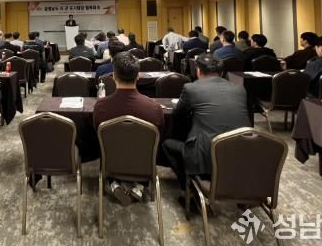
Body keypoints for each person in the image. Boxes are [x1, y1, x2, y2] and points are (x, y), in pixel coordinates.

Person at [162, 54, 251, 201]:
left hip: (206, 153)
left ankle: (188, 191)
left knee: (167, 144)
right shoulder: (239, 89)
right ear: (222, 72)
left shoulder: (191, 88)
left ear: (198, 71)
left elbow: (178, 115)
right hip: (240, 152)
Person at [93, 52, 164, 204]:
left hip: (111, 162)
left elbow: (97, 134)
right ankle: (139, 185)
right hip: (144, 163)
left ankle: (114, 183)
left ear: (113, 77)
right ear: (138, 76)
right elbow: (159, 137)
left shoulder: (100, 106)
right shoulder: (154, 108)